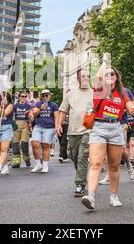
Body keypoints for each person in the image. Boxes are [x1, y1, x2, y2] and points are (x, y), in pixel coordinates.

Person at [81, 56, 134, 210]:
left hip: (115, 129)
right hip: (99, 127)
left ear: (116, 77)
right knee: (96, 162)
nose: (108, 76)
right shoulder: (100, 90)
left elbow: (130, 105)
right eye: (107, 74)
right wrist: (106, 61)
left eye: (112, 74)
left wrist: (133, 108)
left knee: (113, 166)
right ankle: (91, 196)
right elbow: (99, 76)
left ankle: (113, 195)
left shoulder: (122, 93)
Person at [57, 68, 93, 196]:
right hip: (72, 132)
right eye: (83, 76)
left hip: (88, 131)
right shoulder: (71, 94)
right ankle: (82, 176)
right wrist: (58, 125)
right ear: (78, 79)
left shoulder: (94, 93)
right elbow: (63, 110)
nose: (85, 78)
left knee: (83, 156)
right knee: (74, 157)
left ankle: (80, 185)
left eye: (87, 76)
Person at [30, 89, 59, 173]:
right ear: (41, 97)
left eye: (47, 95)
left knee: (45, 146)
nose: (45, 97)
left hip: (50, 128)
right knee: (35, 144)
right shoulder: (38, 104)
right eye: (43, 95)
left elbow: (56, 117)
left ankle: (45, 165)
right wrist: (41, 108)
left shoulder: (54, 105)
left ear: (50, 95)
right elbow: (34, 114)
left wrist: (57, 128)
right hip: (38, 127)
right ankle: (38, 164)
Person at [11, 92, 33, 168]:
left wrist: (30, 115)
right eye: (22, 96)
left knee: (24, 144)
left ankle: (27, 159)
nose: (24, 98)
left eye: (25, 96)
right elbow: (11, 115)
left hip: (25, 124)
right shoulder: (15, 106)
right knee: (15, 144)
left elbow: (32, 117)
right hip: (16, 124)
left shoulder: (28, 106)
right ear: (19, 97)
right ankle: (16, 162)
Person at [0, 92, 14, 176]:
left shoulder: (10, 105)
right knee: (0, 148)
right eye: (0, 98)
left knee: (4, 148)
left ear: (7, 98)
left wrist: (1, 106)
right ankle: (5, 167)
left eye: (3, 98)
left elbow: (4, 113)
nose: (2, 100)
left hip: (7, 128)